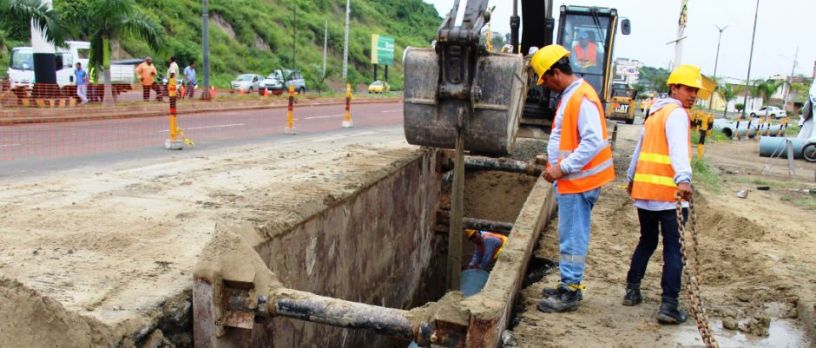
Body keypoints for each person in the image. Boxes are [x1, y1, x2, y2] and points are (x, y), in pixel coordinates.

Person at [530, 44, 615, 313]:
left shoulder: (581, 97)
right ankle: (568, 282)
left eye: (546, 80)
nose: (546, 86)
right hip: (572, 180)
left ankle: (571, 289)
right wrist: (555, 162)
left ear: (556, 72)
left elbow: (592, 142)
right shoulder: (572, 95)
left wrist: (562, 167)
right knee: (569, 235)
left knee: (573, 237)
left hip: (579, 181)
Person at [622, 64, 701, 325]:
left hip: (646, 193)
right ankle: (669, 305)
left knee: (647, 241)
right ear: (674, 87)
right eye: (689, 89)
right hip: (669, 194)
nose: (693, 95)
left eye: (696, 91)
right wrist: (684, 179)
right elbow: (678, 149)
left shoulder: (655, 112)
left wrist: (631, 179)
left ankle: (632, 291)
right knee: (673, 250)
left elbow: (638, 150)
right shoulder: (676, 114)